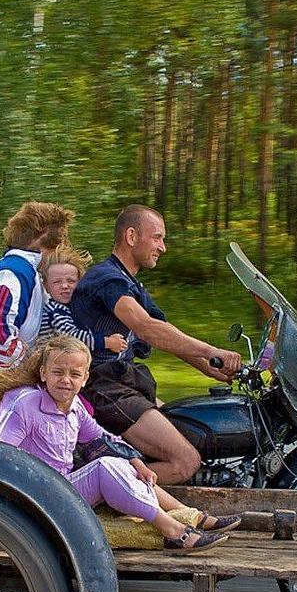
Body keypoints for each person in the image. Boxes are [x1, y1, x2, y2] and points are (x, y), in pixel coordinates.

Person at [0, 335, 241, 554]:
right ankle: (174, 531)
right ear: (43, 373)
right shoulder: (22, 402)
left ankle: (191, 516)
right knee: (105, 467)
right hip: (31, 497)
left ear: (85, 378)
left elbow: (104, 439)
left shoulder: (74, 407)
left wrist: (136, 461)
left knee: (122, 462)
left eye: (74, 374)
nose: (66, 380)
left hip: (62, 489)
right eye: (57, 372)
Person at [70, 204, 243, 485]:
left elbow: (164, 331)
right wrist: (211, 351)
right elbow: (145, 327)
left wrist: (210, 367)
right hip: (102, 387)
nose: (163, 247)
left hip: (124, 382)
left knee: (192, 428)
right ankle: (92, 491)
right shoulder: (107, 279)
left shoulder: (131, 284)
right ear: (131, 236)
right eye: (157, 238)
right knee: (185, 461)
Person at [0, 200, 75, 417]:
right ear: (48, 241)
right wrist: (37, 363)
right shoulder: (11, 274)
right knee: (54, 412)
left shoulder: (27, 274)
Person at [38, 244, 129, 356]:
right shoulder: (54, 310)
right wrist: (107, 342)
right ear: (46, 287)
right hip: (51, 363)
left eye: (71, 281)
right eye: (57, 282)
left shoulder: (74, 308)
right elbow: (72, 337)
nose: (65, 286)